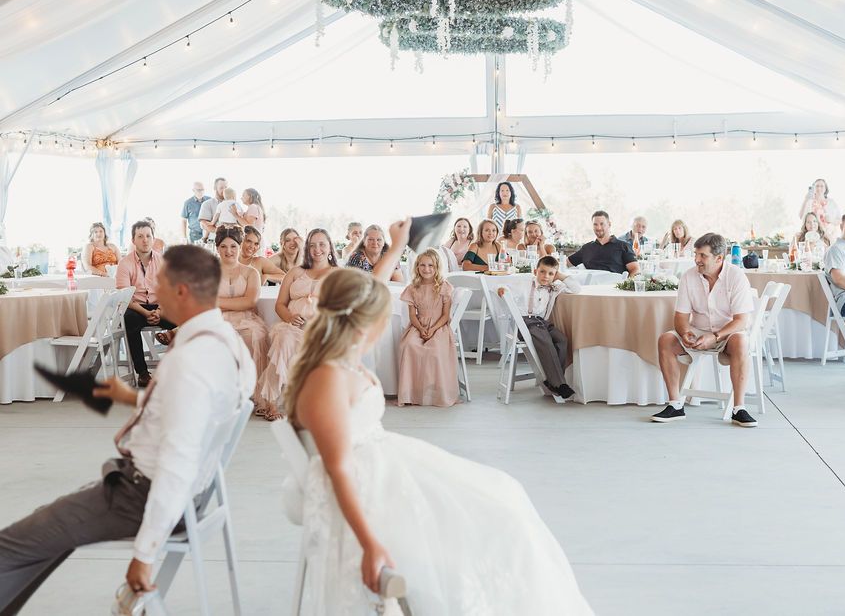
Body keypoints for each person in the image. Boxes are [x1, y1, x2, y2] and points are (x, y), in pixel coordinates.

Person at [282, 221, 594, 614]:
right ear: (364, 320)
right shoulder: (328, 377)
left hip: (387, 462)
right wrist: (369, 543)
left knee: (504, 494)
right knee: (495, 513)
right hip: (370, 483)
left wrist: (397, 247)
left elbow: (369, 289)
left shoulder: (344, 352)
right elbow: (339, 469)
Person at [0, 246, 255, 614]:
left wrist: (144, 553)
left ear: (181, 291)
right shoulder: (229, 344)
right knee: (42, 530)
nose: (153, 289)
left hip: (143, 496)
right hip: (190, 494)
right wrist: (131, 398)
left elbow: (177, 463)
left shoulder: (189, 363)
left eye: (160, 282)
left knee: (11, 545)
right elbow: (196, 414)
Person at [650, 233, 758, 427]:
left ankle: (738, 408)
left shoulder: (736, 276)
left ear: (719, 258)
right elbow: (681, 317)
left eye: (702, 256)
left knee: (741, 341)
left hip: (727, 333)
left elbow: (742, 320)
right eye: (696, 254)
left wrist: (715, 336)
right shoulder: (689, 276)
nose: (696, 260)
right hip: (697, 331)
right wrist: (685, 333)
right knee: (665, 339)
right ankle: (675, 405)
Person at [255, 229, 339, 419]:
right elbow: (280, 305)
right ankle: (271, 402)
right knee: (282, 340)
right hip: (292, 325)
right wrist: (290, 318)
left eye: (322, 244)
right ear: (307, 248)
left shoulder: (338, 274)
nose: (317, 249)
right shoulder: (295, 272)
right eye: (312, 245)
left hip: (321, 328)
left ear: (330, 248)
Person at [497, 254, 581, 402]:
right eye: (542, 271)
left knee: (561, 340)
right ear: (536, 271)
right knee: (546, 340)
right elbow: (505, 287)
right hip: (524, 323)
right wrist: (502, 289)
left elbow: (576, 289)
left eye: (550, 273)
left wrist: (559, 275)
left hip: (542, 323)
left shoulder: (555, 287)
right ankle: (560, 384)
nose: (545, 276)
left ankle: (553, 381)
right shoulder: (525, 283)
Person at [215, 226, 271, 413]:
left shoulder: (251, 272)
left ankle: (256, 394)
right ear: (217, 248)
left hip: (246, 318)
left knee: (255, 335)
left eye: (233, 246)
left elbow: (249, 302)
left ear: (239, 247)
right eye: (223, 246)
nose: (228, 251)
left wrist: (218, 302)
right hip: (218, 320)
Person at [115, 221, 177, 387]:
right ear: (133, 240)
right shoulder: (125, 263)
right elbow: (124, 297)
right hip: (136, 307)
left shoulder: (162, 261)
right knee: (129, 319)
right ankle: (142, 373)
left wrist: (160, 311)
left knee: (185, 319)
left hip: (160, 306)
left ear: (153, 238)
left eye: (148, 236)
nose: (145, 240)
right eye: (140, 236)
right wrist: (145, 313)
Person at [397, 250, 459, 407]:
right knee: (409, 345)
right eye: (422, 265)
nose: (426, 269)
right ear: (417, 267)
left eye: (430, 265)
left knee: (434, 350)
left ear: (437, 267)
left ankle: (435, 393)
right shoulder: (412, 288)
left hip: (439, 327)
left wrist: (432, 330)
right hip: (418, 325)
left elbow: (445, 315)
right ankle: (412, 393)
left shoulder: (444, 287)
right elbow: (412, 315)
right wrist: (421, 328)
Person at [568, 211, 640, 276]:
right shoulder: (586, 248)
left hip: (613, 288)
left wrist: (625, 286)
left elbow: (635, 270)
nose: (598, 228)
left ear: (609, 224)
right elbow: (565, 264)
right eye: (595, 224)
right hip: (590, 288)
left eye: (602, 224)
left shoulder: (623, 246)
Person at [198, 177, 227, 242]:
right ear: (215, 188)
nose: (224, 190)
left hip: (230, 243)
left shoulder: (233, 204)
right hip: (212, 242)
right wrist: (225, 233)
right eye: (221, 188)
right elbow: (205, 225)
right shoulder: (207, 204)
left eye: (226, 187)